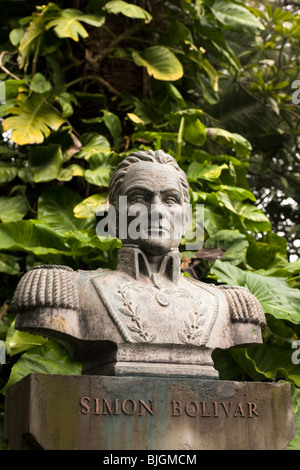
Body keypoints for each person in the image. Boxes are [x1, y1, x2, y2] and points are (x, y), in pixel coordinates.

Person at [11, 149, 265, 378]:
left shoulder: (231, 307)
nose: (156, 211)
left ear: (186, 219)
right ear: (113, 217)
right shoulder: (64, 291)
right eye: (139, 198)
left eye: (170, 200)